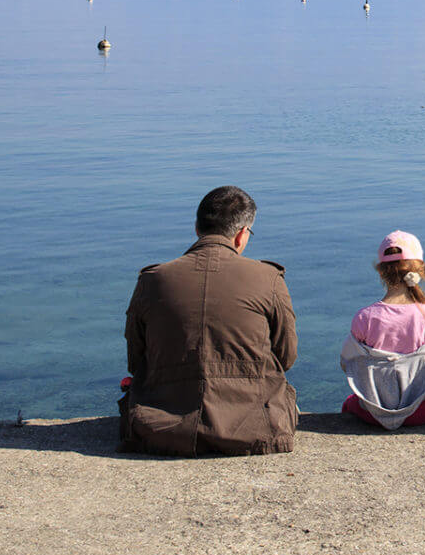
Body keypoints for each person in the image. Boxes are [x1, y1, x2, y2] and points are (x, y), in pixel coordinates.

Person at [120, 185, 299, 455]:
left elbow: (136, 360)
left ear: (197, 228)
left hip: (159, 430)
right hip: (257, 429)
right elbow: (286, 357)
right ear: (241, 234)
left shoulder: (152, 280)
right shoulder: (269, 279)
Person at [340, 230, 425, 429]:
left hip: (371, 413)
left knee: (349, 403)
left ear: (380, 271)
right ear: (420, 270)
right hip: (423, 411)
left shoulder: (363, 318)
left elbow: (347, 365)